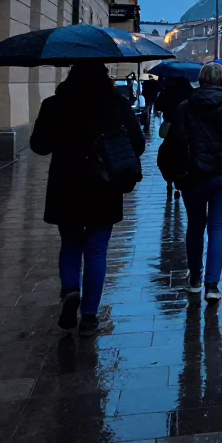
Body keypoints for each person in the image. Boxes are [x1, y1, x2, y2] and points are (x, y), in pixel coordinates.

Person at [30, 63, 145, 336]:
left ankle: (71, 289)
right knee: (96, 249)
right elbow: (138, 144)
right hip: (103, 184)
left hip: (66, 184)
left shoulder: (54, 104)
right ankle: (90, 317)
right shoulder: (116, 104)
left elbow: (38, 145)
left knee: (70, 243)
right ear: (103, 77)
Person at [160, 62, 222, 302]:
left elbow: (176, 140)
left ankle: (194, 279)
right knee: (219, 228)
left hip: (194, 175)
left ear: (200, 80)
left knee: (196, 226)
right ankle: (213, 285)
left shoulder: (186, 107)